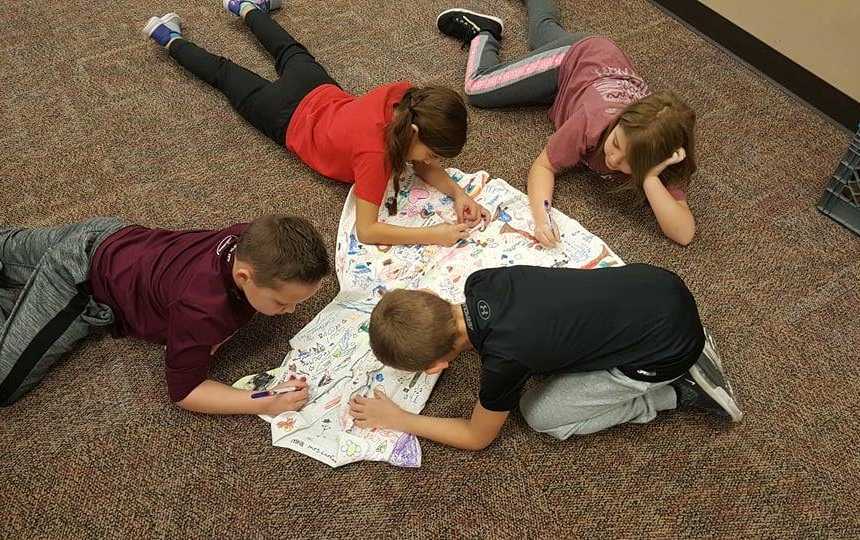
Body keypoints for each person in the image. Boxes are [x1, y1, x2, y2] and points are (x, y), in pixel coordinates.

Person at [142, 1, 488, 247]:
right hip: (285, 118)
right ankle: (167, 38)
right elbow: (368, 231)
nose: (431, 162)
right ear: (413, 133)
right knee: (225, 75)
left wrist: (458, 193)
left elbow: (419, 162)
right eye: (432, 154)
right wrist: (434, 234)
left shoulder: (407, 97)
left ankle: (245, 7)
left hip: (317, 89)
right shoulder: (375, 158)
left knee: (286, 48)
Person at [350, 264, 742, 450]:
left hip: (664, 353)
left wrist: (400, 419)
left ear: (437, 366)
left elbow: (477, 436)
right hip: (661, 286)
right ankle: (682, 346)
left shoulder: (503, 363)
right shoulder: (482, 281)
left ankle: (677, 392)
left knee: (539, 415)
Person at [0, 214, 328, 415]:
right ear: (243, 276)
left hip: (110, 234)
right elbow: (185, 392)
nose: (292, 310)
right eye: (282, 303)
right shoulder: (204, 312)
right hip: (78, 279)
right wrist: (263, 401)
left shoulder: (249, 238)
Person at [436, 2, 697, 246]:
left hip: (595, 65)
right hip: (574, 59)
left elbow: (684, 234)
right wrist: (543, 217)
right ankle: (483, 33)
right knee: (478, 87)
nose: (614, 159)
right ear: (619, 122)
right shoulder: (591, 123)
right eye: (616, 143)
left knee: (542, 33)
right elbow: (544, 165)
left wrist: (649, 176)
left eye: (631, 160)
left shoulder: (661, 152)